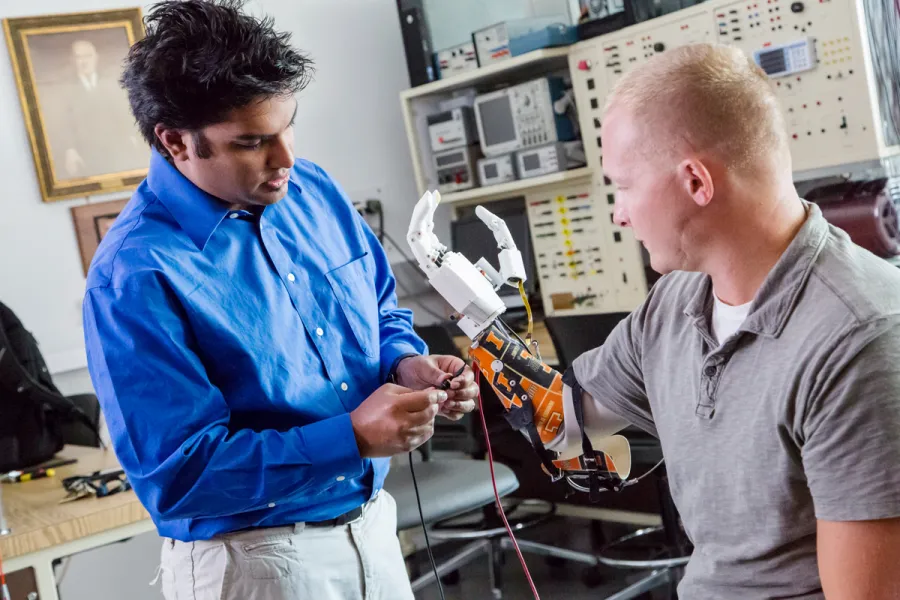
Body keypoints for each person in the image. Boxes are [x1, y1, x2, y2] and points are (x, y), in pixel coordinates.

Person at [470, 43, 900, 598]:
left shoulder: (859, 340)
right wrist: (481, 326)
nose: (620, 213)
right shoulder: (674, 302)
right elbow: (565, 423)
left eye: (623, 186)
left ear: (697, 182)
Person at [82, 2, 477, 599]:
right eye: (252, 142)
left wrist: (404, 363)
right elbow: (178, 476)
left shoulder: (312, 190)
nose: (285, 158)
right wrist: (354, 438)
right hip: (255, 563)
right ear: (175, 142)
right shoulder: (133, 274)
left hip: (373, 529)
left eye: (288, 126)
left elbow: (381, 311)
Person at [42, 37, 147, 179]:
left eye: (88, 56)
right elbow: (63, 123)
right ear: (73, 60)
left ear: (96, 58)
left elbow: (125, 114)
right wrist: (70, 150)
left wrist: (134, 138)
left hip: (118, 147)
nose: (84, 62)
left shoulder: (113, 85)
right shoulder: (65, 91)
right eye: (79, 57)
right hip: (87, 151)